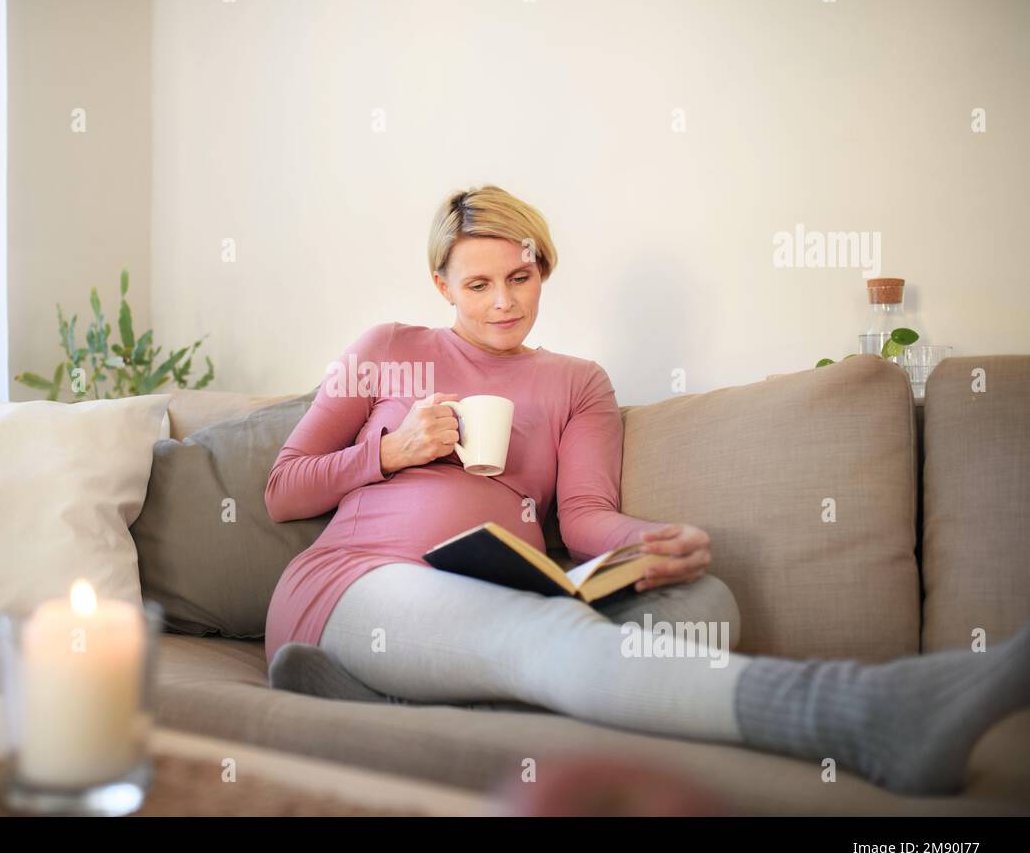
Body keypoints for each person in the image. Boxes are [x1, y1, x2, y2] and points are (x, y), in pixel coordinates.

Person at [262, 184, 1030, 797]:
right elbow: (282, 490)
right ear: (442, 285)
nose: (503, 303)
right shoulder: (389, 349)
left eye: (521, 278)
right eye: (479, 285)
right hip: (359, 583)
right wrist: (391, 453)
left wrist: (648, 541)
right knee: (547, 639)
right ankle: (871, 714)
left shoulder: (576, 381)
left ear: (544, 269)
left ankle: (393, 700)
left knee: (707, 604)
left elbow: (587, 515)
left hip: (505, 587)